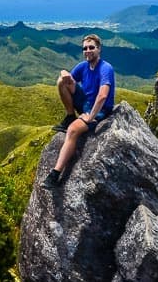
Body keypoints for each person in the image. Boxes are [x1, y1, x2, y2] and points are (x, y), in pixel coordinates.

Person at [42, 33, 115, 188]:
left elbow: (102, 96)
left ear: (99, 49)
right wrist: (63, 72)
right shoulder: (84, 66)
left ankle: (55, 174)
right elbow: (68, 78)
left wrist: (90, 117)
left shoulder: (106, 68)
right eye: (85, 48)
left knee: (73, 130)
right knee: (62, 81)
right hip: (85, 103)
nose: (87, 51)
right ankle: (70, 115)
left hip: (99, 109)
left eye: (91, 48)